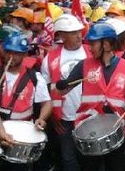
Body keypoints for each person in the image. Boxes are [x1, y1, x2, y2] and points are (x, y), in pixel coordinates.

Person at [55, 22, 125, 171]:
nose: (89, 47)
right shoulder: (84, 65)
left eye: (93, 43)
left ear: (106, 44)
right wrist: (62, 85)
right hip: (88, 133)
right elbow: (63, 90)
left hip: (116, 131)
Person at [0, 30, 52, 171]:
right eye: (9, 52)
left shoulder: (35, 78)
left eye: (16, 53)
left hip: (20, 139)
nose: (11, 56)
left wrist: (42, 118)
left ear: (23, 54)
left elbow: (47, 103)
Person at [41, 14, 89, 171]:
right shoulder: (50, 59)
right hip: (64, 118)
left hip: (90, 115)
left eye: (79, 31)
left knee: (90, 157)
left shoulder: (91, 52)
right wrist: (54, 115)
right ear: (61, 35)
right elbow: (47, 91)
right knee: (68, 158)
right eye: (73, 32)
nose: (78, 35)